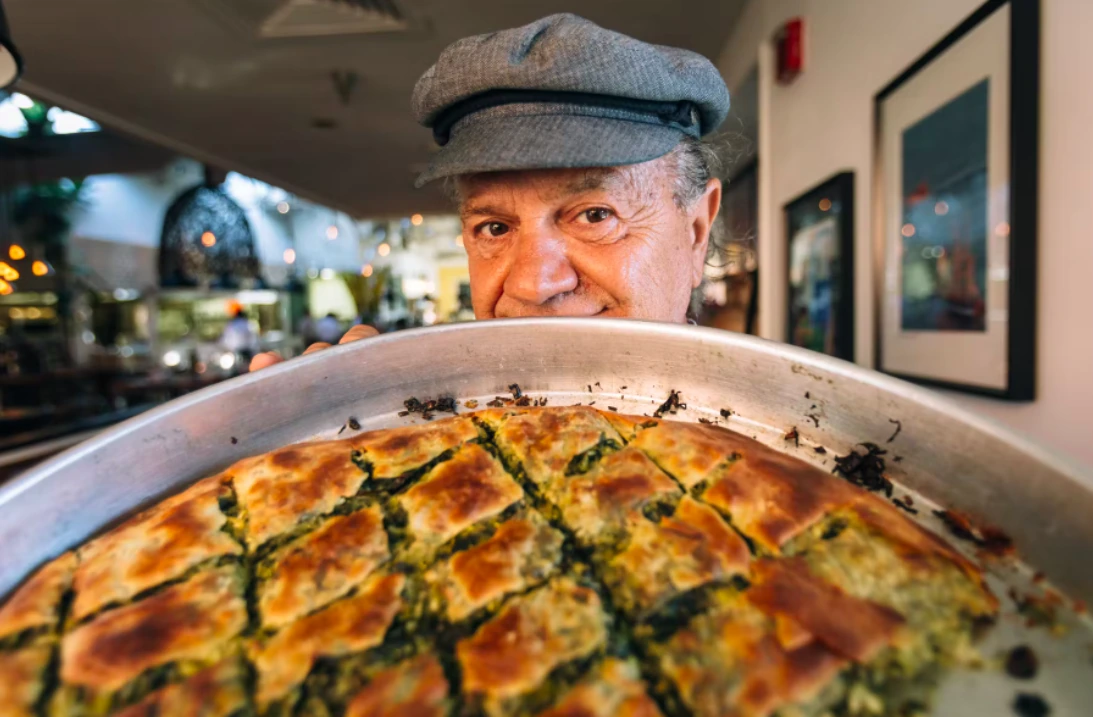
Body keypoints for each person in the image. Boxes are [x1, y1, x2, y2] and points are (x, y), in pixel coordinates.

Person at [252, 13, 726, 371]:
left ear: (696, 232)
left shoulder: (784, 451)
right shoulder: (418, 433)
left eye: (596, 215)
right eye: (494, 227)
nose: (532, 286)